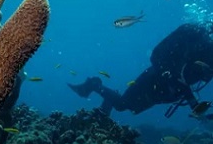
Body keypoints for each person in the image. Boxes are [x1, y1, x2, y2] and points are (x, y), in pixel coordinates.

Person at [68, 23, 213, 117]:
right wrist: (190, 99)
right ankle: (94, 84)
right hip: (154, 80)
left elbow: (190, 78)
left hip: (169, 92)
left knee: (130, 108)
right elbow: (159, 57)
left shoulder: (207, 52)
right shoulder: (194, 38)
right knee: (123, 105)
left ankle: (105, 106)